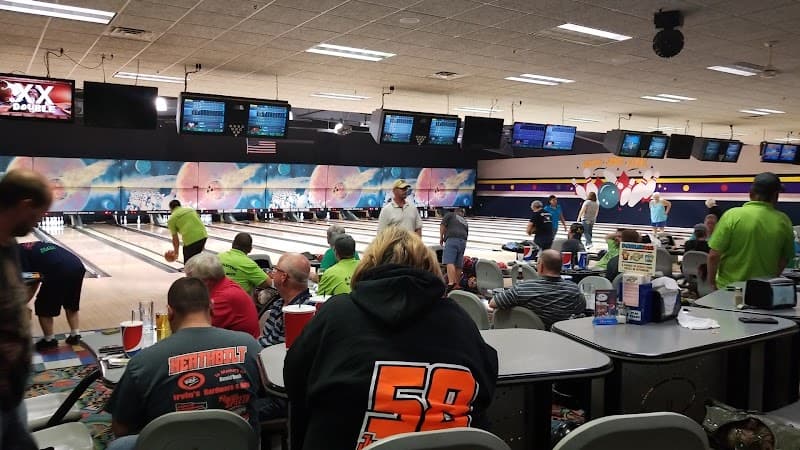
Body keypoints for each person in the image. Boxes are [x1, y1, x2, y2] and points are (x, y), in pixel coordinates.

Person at [284, 227, 498, 450]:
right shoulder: (459, 320)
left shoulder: (336, 313)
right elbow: (486, 389)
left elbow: (295, 383)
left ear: (367, 264)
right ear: (431, 267)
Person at [104, 278, 264, 450]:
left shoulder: (143, 362)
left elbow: (120, 428)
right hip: (238, 444)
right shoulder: (250, 346)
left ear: (170, 313)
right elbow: (263, 396)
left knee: (118, 445)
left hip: (169, 445)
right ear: (212, 308)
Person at [0, 169, 51, 450]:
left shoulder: (8, 244)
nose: (39, 221)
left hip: (12, 388)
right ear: (25, 205)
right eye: (39, 214)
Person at [707, 173, 794, 290]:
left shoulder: (732, 215)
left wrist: (711, 283)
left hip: (728, 288)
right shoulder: (784, 221)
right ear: (775, 196)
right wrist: (772, 278)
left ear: (751, 194)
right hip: (763, 290)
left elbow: (714, 255)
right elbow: (785, 257)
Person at [490, 249, 584, 329]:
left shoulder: (524, 288)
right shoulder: (574, 290)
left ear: (541, 266)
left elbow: (493, 303)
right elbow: (580, 309)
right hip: (560, 338)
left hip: (528, 337)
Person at [18, 241, 86, 350]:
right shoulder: (25, 248)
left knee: (43, 305)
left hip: (57, 269)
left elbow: (33, 281)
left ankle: (49, 340)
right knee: (71, 302)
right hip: (77, 265)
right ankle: (75, 335)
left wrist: (20, 304)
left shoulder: (16, 256)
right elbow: (36, 278)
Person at [184, 253, 260, 339]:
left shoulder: (224, 298)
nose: (188, 283)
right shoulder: (224, 284)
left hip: (241, 349)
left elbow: (194, 330)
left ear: (206, 281)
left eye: (190, 279)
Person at [259, 253, 313, 347]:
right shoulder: (279, 303)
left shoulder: (301, 314)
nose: (272, 273)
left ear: (283, 277)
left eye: (276, 269)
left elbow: (276, 351)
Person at [440, 207, 468, 291]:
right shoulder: (464, 221)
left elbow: (442, 226)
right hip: (463, 242)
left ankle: (451, 283)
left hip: (452, 239)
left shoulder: (449, 215)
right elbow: (466, 234)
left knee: (449, 261)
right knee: (458, 264)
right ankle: (457, 284)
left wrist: (441, 237)